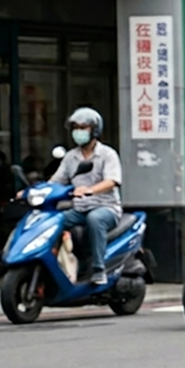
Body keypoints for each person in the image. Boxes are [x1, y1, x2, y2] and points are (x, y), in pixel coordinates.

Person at [48, 108, 124, 286]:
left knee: (94, 219)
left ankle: (98, 269)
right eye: (76, 128)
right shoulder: (70, 157)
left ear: (95, 130)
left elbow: (112, 180)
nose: (78, 132)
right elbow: (56, 181)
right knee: (52, 221)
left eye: (84, 127)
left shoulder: (107, 154)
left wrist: (90, 190)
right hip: (79, 209)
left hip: (106, 208)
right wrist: (36, 191)